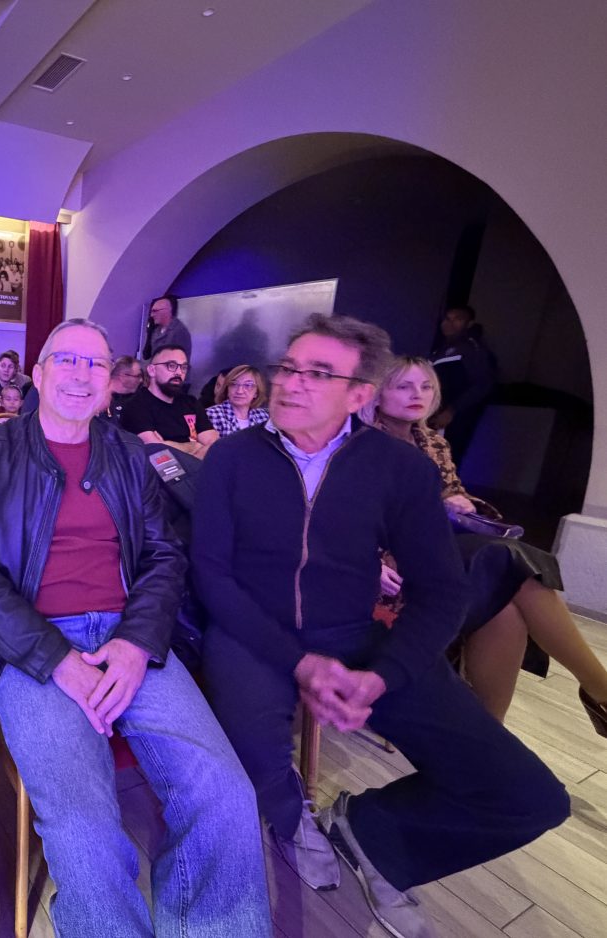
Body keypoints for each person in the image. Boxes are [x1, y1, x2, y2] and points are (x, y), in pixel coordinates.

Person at [193, 314, 568, 938]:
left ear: (359, 395)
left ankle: (371, 831)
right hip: (251, 634)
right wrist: (300, 663)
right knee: (251, 759)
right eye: (288, 367)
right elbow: (212, 574)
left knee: (530, 798)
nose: (290, 383)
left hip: (352, 633)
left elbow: (441, 590)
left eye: (318, 373)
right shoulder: (232, 457)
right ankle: (291, 817)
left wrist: (385, 674)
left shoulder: (399, 468)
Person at [0, 319, 270, 938]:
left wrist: (136, 643)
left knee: (226, 794)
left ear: (110, 382)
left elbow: (164, 556)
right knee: (86, 830)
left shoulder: (127, 453)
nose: (81, 373)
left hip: (130, 636)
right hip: (30, 645)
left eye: (95, 363)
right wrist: (55, 657)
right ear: (38, 374)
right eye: (66, 360)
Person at [365, 355, 607, 729]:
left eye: (426, 386)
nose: (417, 394)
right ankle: (600, 690)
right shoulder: (359, 443)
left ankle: (490, 732)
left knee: (505, 604)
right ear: (377, 394)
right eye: (404, 386)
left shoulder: (434, 444)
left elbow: (453, 494)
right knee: (508, 563)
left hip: (437, 558)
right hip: (388, 573)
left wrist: (459, 502)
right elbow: (340, 518)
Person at [120, 347, 217, 458]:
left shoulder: (191, 403)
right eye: (171, 365)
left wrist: (168, 445)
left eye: (183, 367)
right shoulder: (136, 406)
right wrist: (193, 446)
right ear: (152, 370)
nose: (179, 372)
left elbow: (213, 444)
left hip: (197, 468)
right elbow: (155, 451)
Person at [428, 305, 496, 461]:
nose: (449, 323)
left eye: (457, 319)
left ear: (469, 323)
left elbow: (483, 384)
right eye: (447, 319)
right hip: (432, 417)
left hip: (452, 421)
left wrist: (451, 411)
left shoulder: (472, 349)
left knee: (443, 462)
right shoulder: (439, 350)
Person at [203, 364, 269, 439]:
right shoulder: (211, 415)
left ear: (256, 392)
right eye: (234, 384)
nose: (239, 391)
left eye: (248, 385)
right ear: (227, 389)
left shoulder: (265, 417)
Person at [143, 294, 192, 362]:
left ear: (166, 311)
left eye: (155, 311)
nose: (151, 315)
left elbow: (180, 362)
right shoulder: (156, 331)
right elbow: (149, 355)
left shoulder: (179, 331)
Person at [104, 355, 143, 424]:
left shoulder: (139, 399)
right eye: (138, 376)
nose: (141, 380)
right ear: (124, 376)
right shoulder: (98, 400)